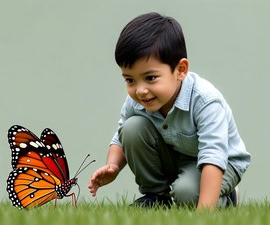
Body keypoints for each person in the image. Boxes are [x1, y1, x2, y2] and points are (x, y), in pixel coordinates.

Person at [88, 12, 251, 210]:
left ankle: (228, 198)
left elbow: (213, 156)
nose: (140, 90)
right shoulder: (138, 99)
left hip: (221, 163)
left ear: (180, 70)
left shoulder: (205, 101)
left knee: (187, 195)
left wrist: (203, 213)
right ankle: (157, 197)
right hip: (177, 155)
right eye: (130, 80)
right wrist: (112, 165)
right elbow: (120, 136)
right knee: (132, 128)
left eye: (150, 78)